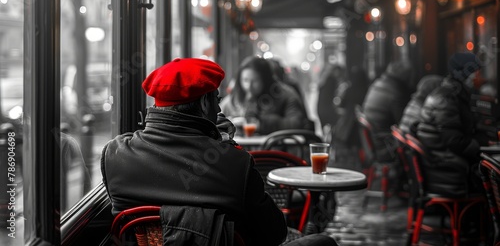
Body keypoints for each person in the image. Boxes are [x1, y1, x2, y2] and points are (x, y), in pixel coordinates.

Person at [101, 58, 337, 246]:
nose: (219, 107)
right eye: (217, 99)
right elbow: (274, 233)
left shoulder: (114, 154)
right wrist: (224, 144)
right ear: (205, 104)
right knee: (324, 242)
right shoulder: (235, 163)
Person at [416, 52, 489, 196]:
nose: (479, 77)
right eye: (476, 72)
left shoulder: (453, 93)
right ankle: (482, 217)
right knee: (492, 171)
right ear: (465, 75)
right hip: (446, 166)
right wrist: (485, 144)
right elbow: (455, 142)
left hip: (441, 161)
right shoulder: (447, 98)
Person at [220, 55, 313, 135]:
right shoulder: (233, 99)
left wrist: (262, 124)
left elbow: (297, 123)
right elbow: (217, 119)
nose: (249, 86)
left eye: (255, 81)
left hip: (275, 152)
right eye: (245, 80)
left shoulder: (285, 95)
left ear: (265, 79)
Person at [361, 60, 413, 162]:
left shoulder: (378, 83)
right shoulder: (396, 92)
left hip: (375, 139)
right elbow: (402, 122)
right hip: (385, 144)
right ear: (405, 77)